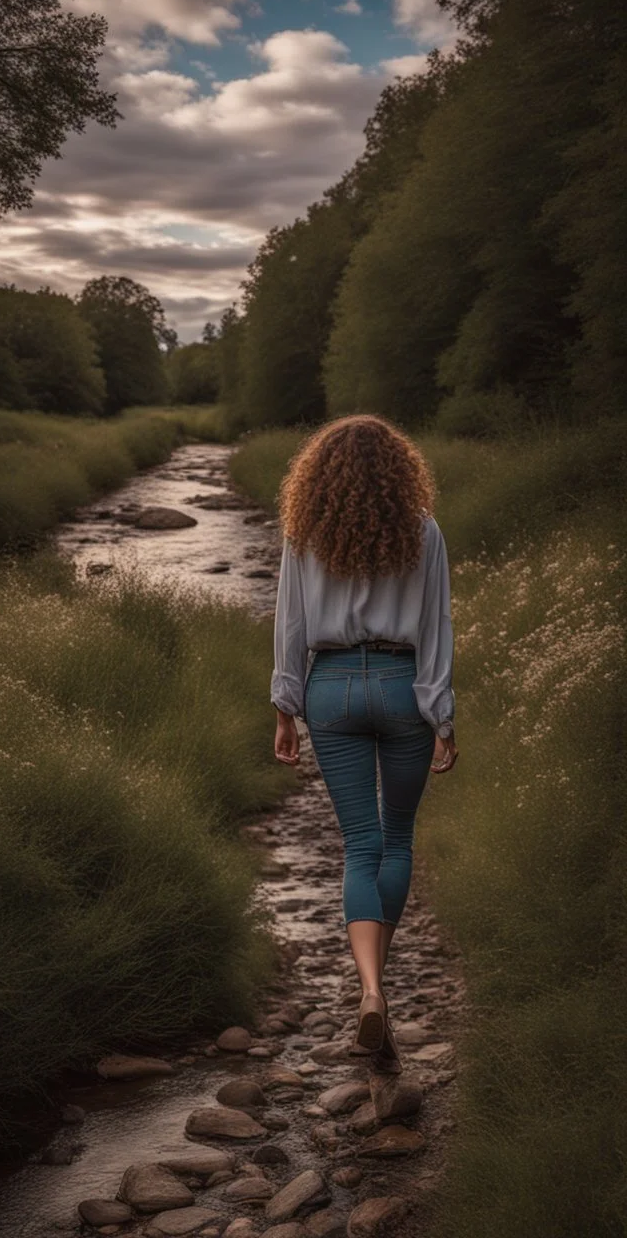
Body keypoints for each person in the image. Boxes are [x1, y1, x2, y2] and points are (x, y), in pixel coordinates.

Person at [270, 413, 458, 1071]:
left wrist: (285, 708)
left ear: (318, 474)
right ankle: (383, 983)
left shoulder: (303, 531)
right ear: (400, 471)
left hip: (331, 689)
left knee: (360, 845)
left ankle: (370, 990)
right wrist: (443, 716)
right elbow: (436, 626)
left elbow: (289, 622)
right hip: (404, 685)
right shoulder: (422, 530)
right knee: (396, 840)